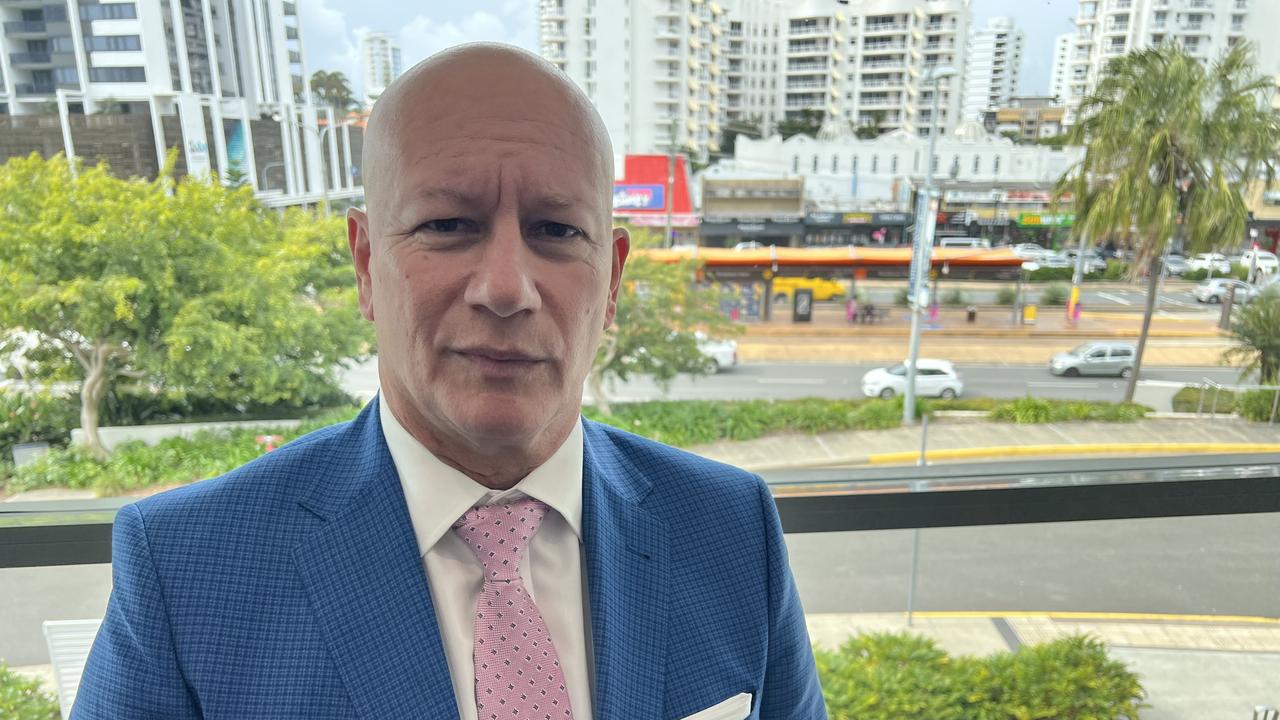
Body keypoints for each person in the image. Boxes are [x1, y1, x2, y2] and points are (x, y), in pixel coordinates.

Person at [73, 43, 825, 719]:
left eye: (557, 231)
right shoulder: (188, 568)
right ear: (367, 265)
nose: (506, 288)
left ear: (614, 278)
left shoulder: (730, 527)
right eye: (447, 225)